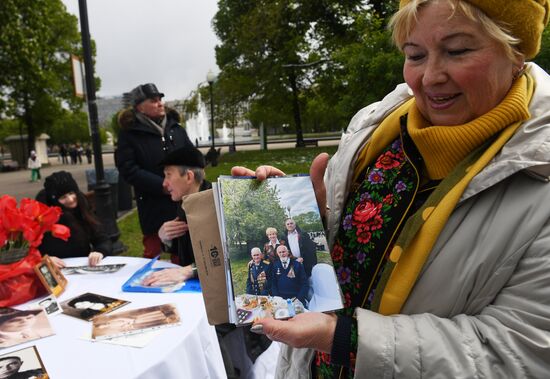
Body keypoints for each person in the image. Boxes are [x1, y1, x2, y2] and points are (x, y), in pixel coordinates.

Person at [234, 1, 550, 377]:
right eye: (414, 54)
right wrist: (310, 225)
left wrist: (346, 339)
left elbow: (520, 352)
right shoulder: (377, 126)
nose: (430, 76)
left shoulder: (538, 176)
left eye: (457, 51)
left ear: (516, 52)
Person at [115, 83, 194, 259]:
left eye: (160, 99)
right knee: (153, 254)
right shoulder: (129, 134)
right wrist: (162, 185)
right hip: (153, 204)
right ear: (139, 107)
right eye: (153, 100)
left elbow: (193, 157)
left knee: (184, 252)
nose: (160, 103)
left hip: (182, 203)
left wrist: (190, 179)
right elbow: (128, 169)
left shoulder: (176, 128)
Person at [140, 145, 210, 286]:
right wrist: (165, 238)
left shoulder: (215, 205)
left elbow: (226, 257)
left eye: (168, 175)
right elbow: (185, 249)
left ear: (189, 177)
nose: (164, 183)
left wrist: (189, 271)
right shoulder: (184, 201)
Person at [36, 171, 112, 268]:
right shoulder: (43, 217)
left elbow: (102, 238)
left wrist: (100, 251)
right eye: (63, 197)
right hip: (55, 269)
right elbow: (32, 250)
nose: (70, 199)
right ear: (54, 201)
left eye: (71, 193)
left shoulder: (83, 207)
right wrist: (45, 258)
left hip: (82, 265)